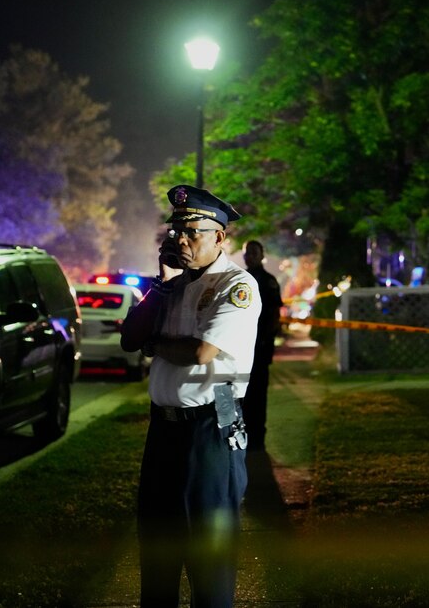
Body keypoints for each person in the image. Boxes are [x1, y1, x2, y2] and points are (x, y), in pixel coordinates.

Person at [120, 184, 261, 608]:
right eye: (175, 232)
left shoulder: (236, 285)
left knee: (208, 557)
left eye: (193, 232)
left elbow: (200, 353)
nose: (181, 240)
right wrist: (161, 287)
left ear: (220, 237)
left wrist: (155, 344)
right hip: (163, 425)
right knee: (158, 552)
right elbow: (130, 339)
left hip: (212, 422)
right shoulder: (172, 284)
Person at [241, 240, 283, 452]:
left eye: (254, 252)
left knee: (258, 394)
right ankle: (242, 435)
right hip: (241, 348)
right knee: (241, 394)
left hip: (260, 347)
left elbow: (275, 314)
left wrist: (266, 339)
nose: (249, 256)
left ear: (262, 255)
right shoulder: (240, 279)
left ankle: (257, 437)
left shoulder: (268, 281)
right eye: (247, 253)